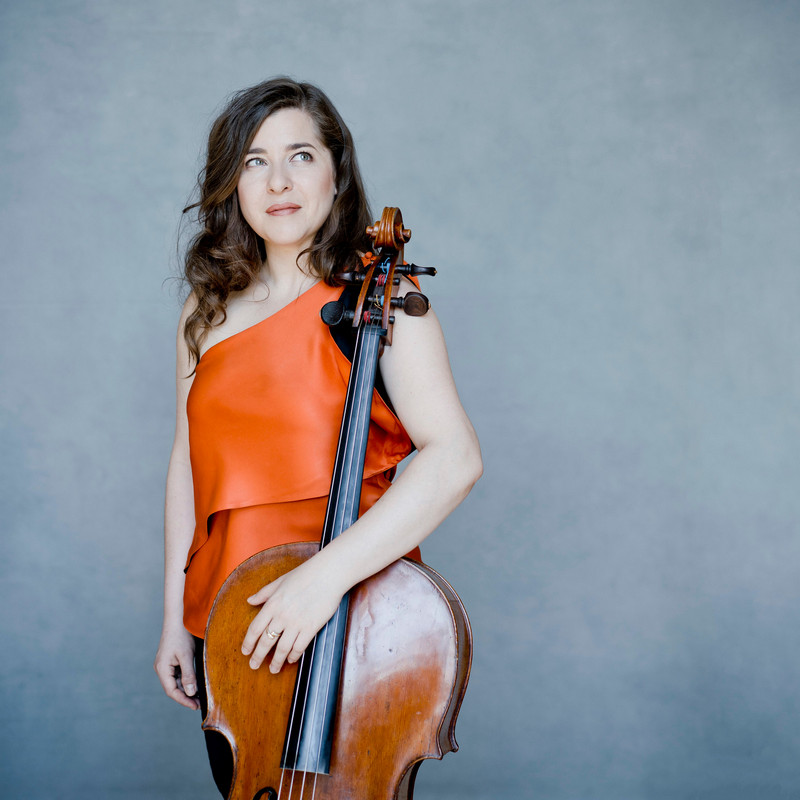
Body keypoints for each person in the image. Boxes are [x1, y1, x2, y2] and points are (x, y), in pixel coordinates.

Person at [153, 76, 482, 796]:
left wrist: (321, 580)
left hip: (353, 620)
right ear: (231, 184)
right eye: (254, 161)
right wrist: (176, 619)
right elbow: (189, 463)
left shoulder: (384, 300)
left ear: (336, 171)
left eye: (300, 155)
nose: (278, 180)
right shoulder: (203, 310)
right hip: (233, 628)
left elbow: (454, 457)